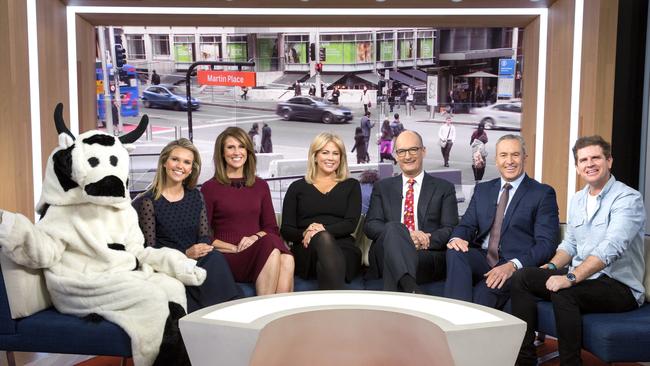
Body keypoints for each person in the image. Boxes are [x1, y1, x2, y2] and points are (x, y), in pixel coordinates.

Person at [511, 135, 646, 366]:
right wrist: (552, 267)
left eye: (596, 158)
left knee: (564, 292)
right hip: (585, 279)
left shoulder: (628, 198)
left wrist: (571, 278)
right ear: (577, 167)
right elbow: (570, 245)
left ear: (609, 161)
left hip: (619, 287)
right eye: (583, 160)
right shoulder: (577, 200)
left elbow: (611, 247)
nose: (590, 164)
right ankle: (524, 359)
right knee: (522, 277)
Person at [444, 134, 560, 309]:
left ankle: (458, 325)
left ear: (525, 158)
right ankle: (456, 316)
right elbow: (466, 225)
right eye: (504, 155)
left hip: (514, 264)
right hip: (483, 257)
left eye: (515, 155)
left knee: (483, 294)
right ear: (496, 160)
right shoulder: (483, 189)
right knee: (455, 251)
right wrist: (457, 238)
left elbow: (546, 244)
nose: (509, 161)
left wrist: (513, 265)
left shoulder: (542, 193)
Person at [135, 139, 242, 312]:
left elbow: (204, 235)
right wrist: (185, 255)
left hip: (199, 258)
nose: (180, 166)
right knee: (205, 268)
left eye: (186, 162)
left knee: (214, 257)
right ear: (164, 162)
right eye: (175, 159)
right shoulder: (148, 201)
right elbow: (150, 249)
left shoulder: (195, 196)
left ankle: (228, 311)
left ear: (191, 169)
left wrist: (200, 249)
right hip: (171, 263)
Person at [201, 127, 294, 295]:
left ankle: (276, 315)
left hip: (259, 251)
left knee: (286, 258)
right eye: (231, 147)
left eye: (241, 146)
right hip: (228, 255)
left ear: (248, 151)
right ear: (222, 153)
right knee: (272, 248)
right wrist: (234, 248)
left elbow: (271, 228)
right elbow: (203, 235)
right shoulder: (210, 188)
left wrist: (254, 238)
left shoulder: (260, 185)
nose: (237, 152)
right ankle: (265, 312)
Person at [364, 130, 459, 293]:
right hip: (386, 250)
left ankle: (407, 287)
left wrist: (425, 240)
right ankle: (411, 288)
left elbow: (451, 228)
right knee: (394, 228)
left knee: (395, 257)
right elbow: (371, 225)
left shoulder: (444, 188)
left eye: (413, 150)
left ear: (423, 151)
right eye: (401, 151)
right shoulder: (383, 187)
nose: (407, 156)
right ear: (396, 155)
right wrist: (405, 236)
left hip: (425, 255)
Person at [281, 133, 362, 290]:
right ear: (315, 156)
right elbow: (286, 229)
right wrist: (307, 233)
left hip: (343, 247)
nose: (330, 158)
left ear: (341, 158)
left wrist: (321, 230)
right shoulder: (297, 187)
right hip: (306, 249)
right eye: (325, 152)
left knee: (326, 248)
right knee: (322, 241)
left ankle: (329, 307)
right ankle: (335, 308)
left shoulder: (351, 185)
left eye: (335, 153)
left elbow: (350, 223)